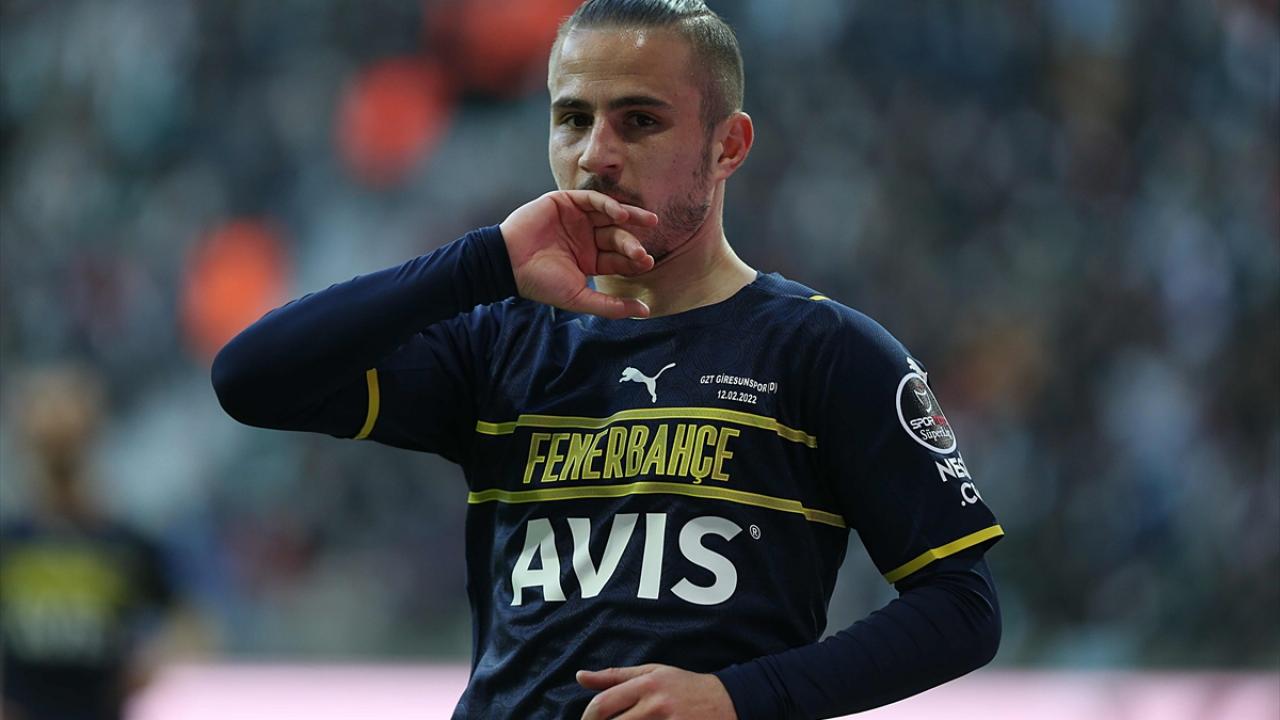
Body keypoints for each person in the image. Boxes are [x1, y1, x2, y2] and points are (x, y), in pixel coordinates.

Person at [212, 1, 1004, 717]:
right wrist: (481, 262)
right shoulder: (497, 341)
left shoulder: (825, 351)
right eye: (572, 119)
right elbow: (250, 379)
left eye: (640, 121)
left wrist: (739, 697)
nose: (597, 155)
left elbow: (961, 607)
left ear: (728, 146)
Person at [1, 367, 178, 720]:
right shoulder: (10, 541)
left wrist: (150, 662)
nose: (58, 430)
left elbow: (187, 621)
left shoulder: (125, 543)